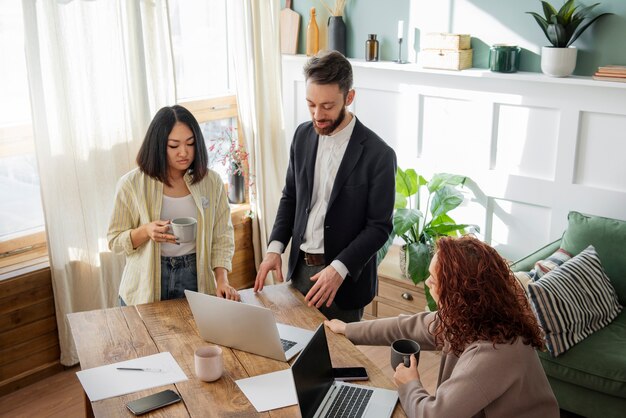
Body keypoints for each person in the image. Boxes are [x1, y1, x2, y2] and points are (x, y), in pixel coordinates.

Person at [325, 235, 559, 417]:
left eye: (434, 280)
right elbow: (406, 327)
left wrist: (410, 384)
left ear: (460, 293)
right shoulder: (471, 317)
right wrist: (348, 329)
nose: (427, 283)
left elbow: (434, 415)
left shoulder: (493, 353)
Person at [254, 51, 397, 322]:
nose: (317, 115)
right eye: (311, 104)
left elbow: (379, 227)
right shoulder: (302, 135)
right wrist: (275, 247)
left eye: (328, 106)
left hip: (343, 282)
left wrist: (338, 269)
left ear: (349, 97)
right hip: (298, 271)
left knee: (340, 362)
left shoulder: (379, 155)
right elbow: (291, 196)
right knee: (296, 355)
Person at [108, 105, 240, 305]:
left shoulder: (211, 182)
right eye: (174, 145)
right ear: (158, 145)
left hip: (195, 278)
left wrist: (222, 280)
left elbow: (222, 237)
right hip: (145, 285)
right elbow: (114, 240)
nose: (184, 152)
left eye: (190, 143)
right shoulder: (131, 184)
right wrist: (145, 231)